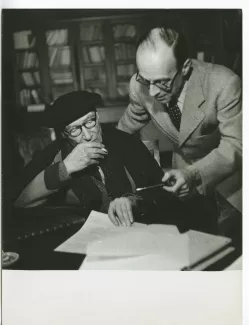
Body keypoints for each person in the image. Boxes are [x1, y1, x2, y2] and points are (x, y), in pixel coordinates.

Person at [117, 25, 242, 233]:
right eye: (146, 81)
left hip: (230, 183)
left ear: (184, 67)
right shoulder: (140, 85)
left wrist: (192, 174)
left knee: (227, 247)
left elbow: (237, 144)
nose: (153, 92)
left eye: (162, 82)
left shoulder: (224, 83)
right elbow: (125, 129)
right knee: (189, 244)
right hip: (182, 182)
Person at [13, 91, 173, 227]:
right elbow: (18, 204)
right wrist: (66, 167)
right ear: (63, 134)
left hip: (137, 228)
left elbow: (162, 190)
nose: (88, 136)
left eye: (90, 122)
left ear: (97, 116)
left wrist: (132, 201)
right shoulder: (51, 154)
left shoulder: (126, 141)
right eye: (75, 130)